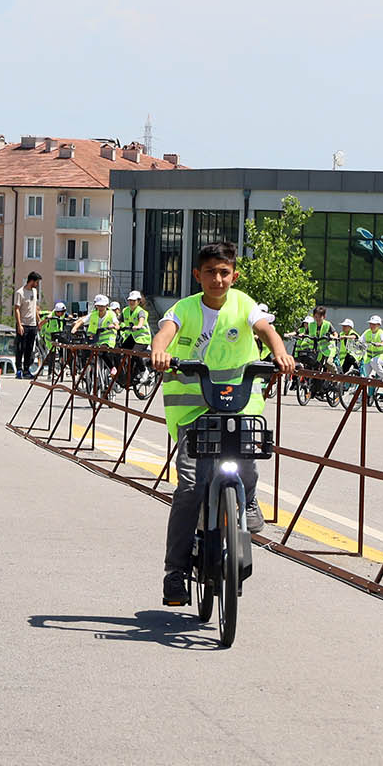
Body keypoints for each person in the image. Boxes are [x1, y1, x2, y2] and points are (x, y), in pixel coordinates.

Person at [148, 240, 294, 608]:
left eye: (224, 272)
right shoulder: (184, 308)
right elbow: (166, 331)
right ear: (197, 275)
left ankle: (247, 500)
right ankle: (175, 572)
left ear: (234, 275)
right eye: (210, 272)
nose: (217, 279)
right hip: (194, 412)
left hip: (240, 405)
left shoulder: (244, 304)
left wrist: (278, 351)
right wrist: (159, 350)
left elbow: (265, 329)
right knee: (190, 487)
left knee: (247, 457)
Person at [14, 271, 43, 375]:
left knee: (29, 348)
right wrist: (19, 324)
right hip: (23, 324)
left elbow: (34, 307)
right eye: (36, 282)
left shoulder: (34, 292)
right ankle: (19, 369)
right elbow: (17, 309)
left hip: (32, 324)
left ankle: (26, 369)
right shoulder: (20, 292)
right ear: (32, 281)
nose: (37, 284)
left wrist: (38, 320)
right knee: (20, 347)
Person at [298, 305, 335, 369]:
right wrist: (302, 335)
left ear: (324, 317)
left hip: (327, 349)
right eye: (316, 317)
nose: (317, 319)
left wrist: (333, 337)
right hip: (315, 349)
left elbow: (335, 334)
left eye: (320, 317)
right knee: (311, 364)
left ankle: (336, 376)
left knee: (328, 363)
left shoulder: (327, 324)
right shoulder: (311, 325)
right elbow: (306, 333)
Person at [360, 315, 383, 379]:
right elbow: (360, 340)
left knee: (373, 361)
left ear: (379, 325)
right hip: (370, 356)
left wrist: (380, 344)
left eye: (374, 324)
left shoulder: (381, 333)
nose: (372, 326)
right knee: (364, 374)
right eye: (370, 324)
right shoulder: (367, 332)